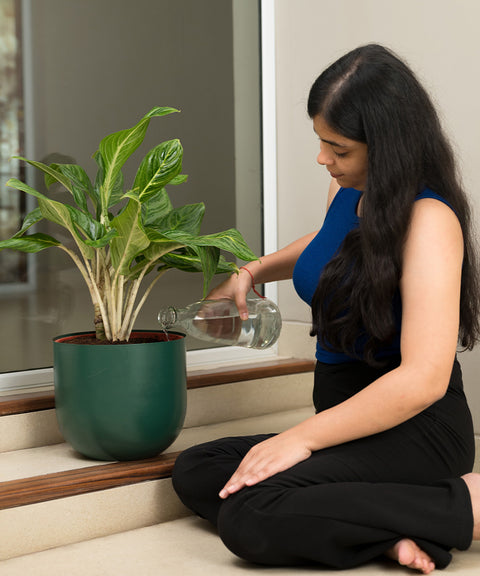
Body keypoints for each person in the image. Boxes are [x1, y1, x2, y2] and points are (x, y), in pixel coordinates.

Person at [172, 43, 480, 574]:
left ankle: (465, 505)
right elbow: (330, 242)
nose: (323, 158)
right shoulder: (355, 190)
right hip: (346, 422)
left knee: (250, 514)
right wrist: (251, 270)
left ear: (388, 145)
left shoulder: (429, 220)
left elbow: (423, 381)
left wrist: (297, 440)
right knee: (201, 468)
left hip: (414, 432)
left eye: (338, 147)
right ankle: (390, 532)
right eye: (321, 141)